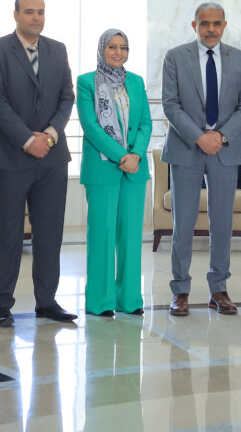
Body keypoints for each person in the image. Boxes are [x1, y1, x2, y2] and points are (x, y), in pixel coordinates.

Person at [0, 0, 76, 327]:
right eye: (29, 12)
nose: (36, 17)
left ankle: (46, 301)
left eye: (41, 12)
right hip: (10, 156)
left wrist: (49, 135)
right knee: (6, 232)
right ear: (16, 15)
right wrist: (26, 140)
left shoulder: (57, 49)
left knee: (49, 232)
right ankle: (1, 302)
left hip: (51, 156)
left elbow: (67, 96)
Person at [162, 2, 241, 316]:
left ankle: (219, 289)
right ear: (195, 26)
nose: (211, 29)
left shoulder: (240, 59)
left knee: (222, 222)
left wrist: (221, 136)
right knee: (183, 222)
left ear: (224, 25)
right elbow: (170, 104)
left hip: (225, 150)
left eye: (217, 23)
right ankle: (180, 290)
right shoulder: (175, 57)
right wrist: (199, 136)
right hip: (186, 148)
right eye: (205, 23)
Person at [76, 29, 152, 317]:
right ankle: (101, 300)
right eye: (112, 47)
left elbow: (145, 123)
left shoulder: (137, 82)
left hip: (135, 169)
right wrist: (123, 156)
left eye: (123, 47)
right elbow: (91, 126)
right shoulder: (86, 82)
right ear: (102, 50)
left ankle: (129, 299)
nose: (118, 52)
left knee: (131, 235)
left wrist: (136, 155)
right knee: (103, 234)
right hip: (102, 168)